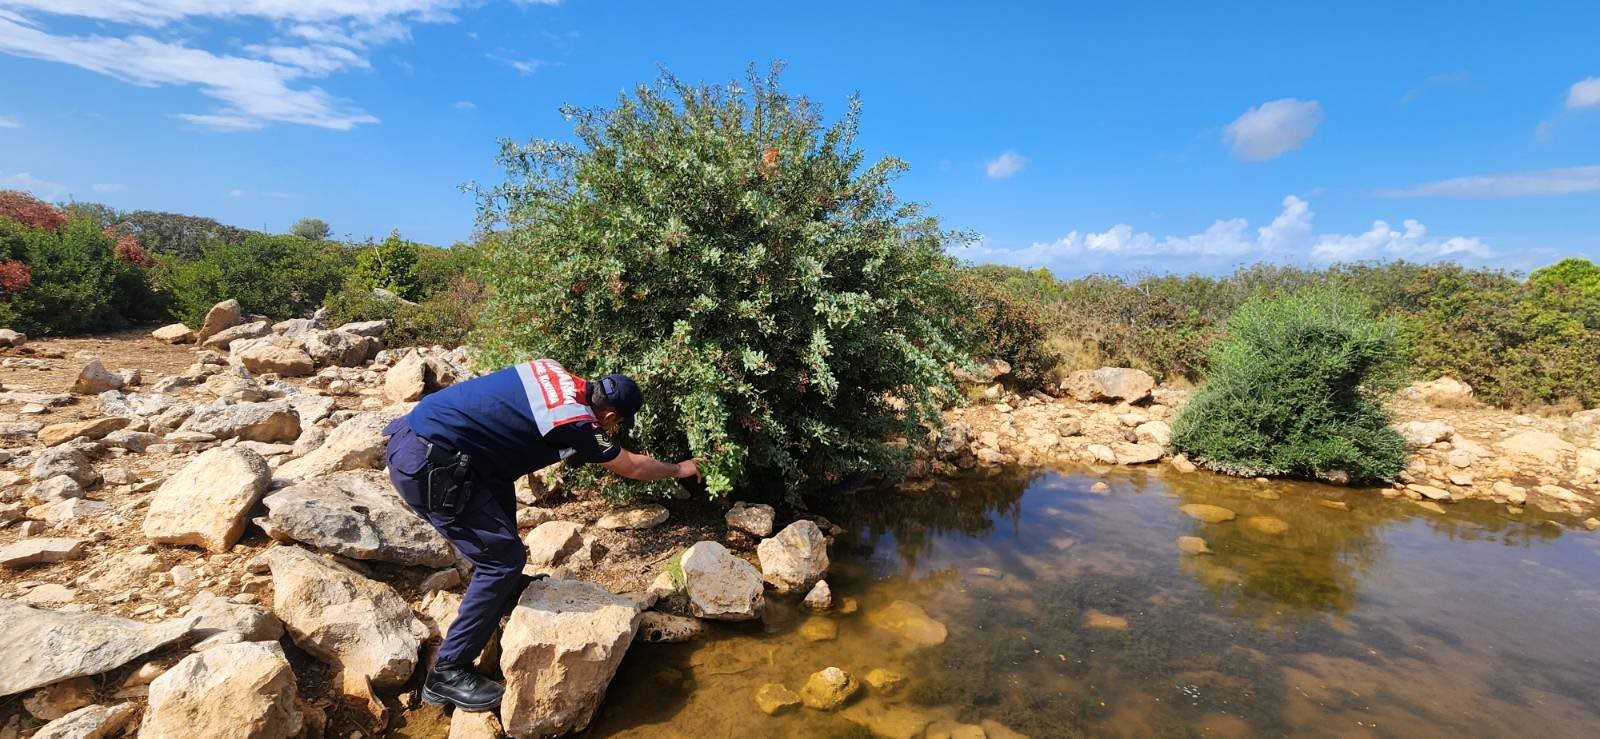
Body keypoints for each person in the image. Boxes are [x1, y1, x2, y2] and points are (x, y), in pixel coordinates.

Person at [383, 358, 699, 711]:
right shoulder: (578, 423)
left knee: (502, 496)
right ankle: (448, 671)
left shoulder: (553, 370)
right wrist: (680, 468)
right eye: (618, 424)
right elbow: (632, 465)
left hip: (428, 442)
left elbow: (517, 420)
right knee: (502, 561)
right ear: (610, 416)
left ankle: (502, 594)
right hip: (428, 465)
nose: (615, 428)